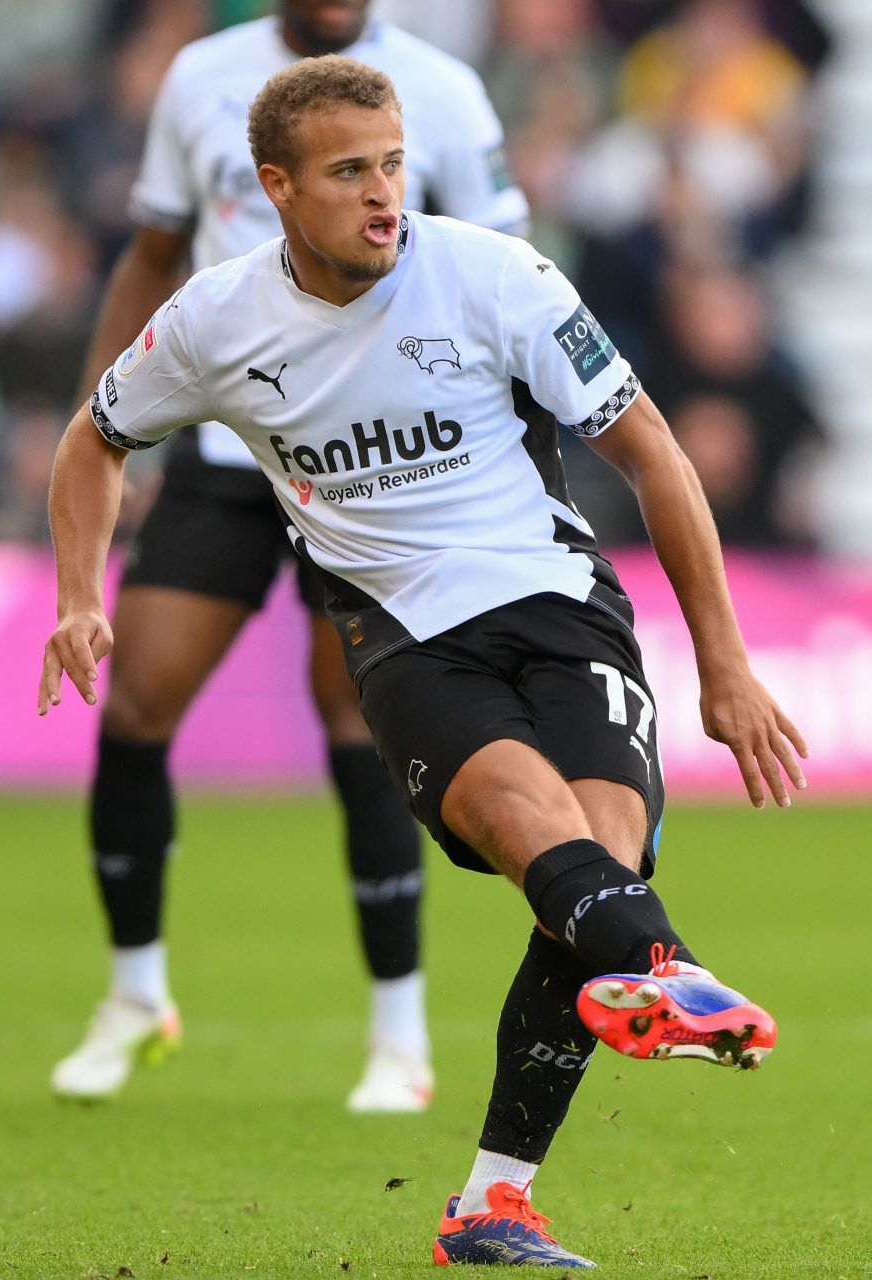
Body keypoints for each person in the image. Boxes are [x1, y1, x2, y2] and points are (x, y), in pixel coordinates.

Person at [39, 56, 804, 1267]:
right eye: (350, 172)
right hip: (403, 638)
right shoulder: (217, 321)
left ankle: (495, 1201)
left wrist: (725, 666)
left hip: (562, 605)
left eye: (393, 163)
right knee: (530, 828)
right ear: (277, 187)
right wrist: (83, 594)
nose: (384, 192)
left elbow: (655, 451)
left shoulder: (497, 275)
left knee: (596, 868)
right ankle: (665, 967)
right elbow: (93, 440)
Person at [50, 0, 532, 1113]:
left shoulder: (444, 89)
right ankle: (134, 995)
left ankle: (398, 1032)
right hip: (229, 450)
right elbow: (156, 251)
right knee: (133, 706)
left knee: (359, 726)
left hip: (369, 462)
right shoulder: (199, 79)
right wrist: (106, 414)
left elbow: (509, 267)